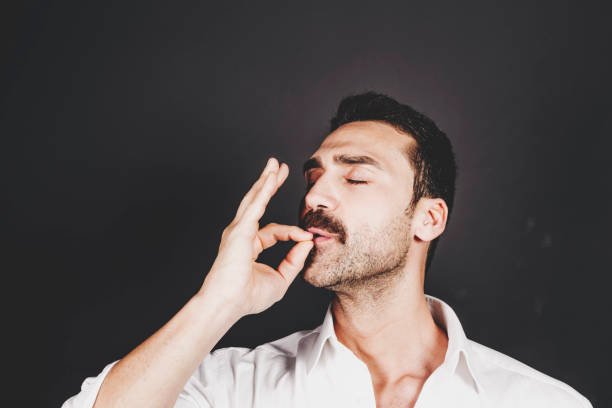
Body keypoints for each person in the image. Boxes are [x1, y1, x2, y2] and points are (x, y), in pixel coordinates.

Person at [62, 92, 592, 408]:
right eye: (313, 178)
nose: (314, 196)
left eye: (356, 177)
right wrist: (216, 304)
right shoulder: (239, 386)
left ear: (428, 219)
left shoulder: (541, 402)